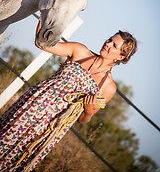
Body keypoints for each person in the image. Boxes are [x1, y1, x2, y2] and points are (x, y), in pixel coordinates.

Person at [0, 19, 137, 172]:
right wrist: (44, 17)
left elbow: (82, 120)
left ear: (120, 57)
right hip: (32, 105)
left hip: (51, 124)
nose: (108, 44)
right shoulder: (80, 51)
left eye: (114, 46)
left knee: (18, 157)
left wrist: (89, 111)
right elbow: (42, 44)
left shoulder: (108, 87)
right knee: (4, 137)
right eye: (110, 39)